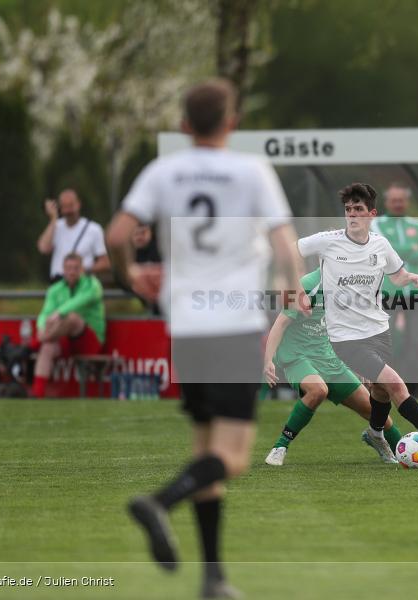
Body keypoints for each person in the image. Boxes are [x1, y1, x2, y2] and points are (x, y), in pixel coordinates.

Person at [106, 78, 306, 598]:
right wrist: (289, 289)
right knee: (233, 456)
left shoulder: (163, 170)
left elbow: (115, 235)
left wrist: (132, 277)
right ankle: (159, 502)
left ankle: (213, 577)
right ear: (232, 123)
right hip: (235, 323)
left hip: (187, 328)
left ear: (184, 125)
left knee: (205, 451)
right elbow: (286, 246)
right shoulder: (251, 171)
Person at [297, 182, 418, 464]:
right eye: (348, 210)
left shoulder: (381, 244)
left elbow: (396, 274)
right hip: (345, 337)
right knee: (395, 383)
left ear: (371, 214)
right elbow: (291, 250)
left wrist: (410, 278)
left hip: (378, 330)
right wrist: (295, 287)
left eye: (358, 209)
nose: (352, 215)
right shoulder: (328, 240)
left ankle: (375, 434)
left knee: (380, 390)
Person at [263, 268, 403, 466]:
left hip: (329, 358)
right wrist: (268, 360)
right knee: (318, 390)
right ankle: (280, 446)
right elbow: (281, 323)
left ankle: (403, 450)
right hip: (297, 355)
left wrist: (362, 365)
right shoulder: (308, 286)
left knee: (376, 413)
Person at [371, 183, 418, 380]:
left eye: (401, 200)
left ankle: (407, 385)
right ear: (387, 202)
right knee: (388, 339)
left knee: (415, 341)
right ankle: (387, 383)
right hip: (388, 291)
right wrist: (410, 248)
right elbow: (382, 250)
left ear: (407, 202)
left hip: (415, 293)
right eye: (394, 200)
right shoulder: (377, 224)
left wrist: (396, 248)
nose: (398, 204)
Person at [30, 253, 106, 398]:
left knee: (72, 318)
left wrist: (59, 313)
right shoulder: (55, 289)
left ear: (81, 269)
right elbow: (45, 313)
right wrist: (41, 326)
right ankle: (37, 394)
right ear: (63, 269)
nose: (71, 271)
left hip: (90, 341)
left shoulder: (92, 285)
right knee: (47, 347)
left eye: (75, 268)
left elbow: (78, 302)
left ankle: (37, 341)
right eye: (68, 268)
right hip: (64, 338)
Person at [37, 189, 110, 281]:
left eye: (71, 205)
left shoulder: (94, 229)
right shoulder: (55, 226)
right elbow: (43, 248)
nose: (68, 211)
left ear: (78, 204)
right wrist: (53, 219)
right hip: (59, 283)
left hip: (82, 283)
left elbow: (105, 263)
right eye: (64, 206)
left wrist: (83, 270)